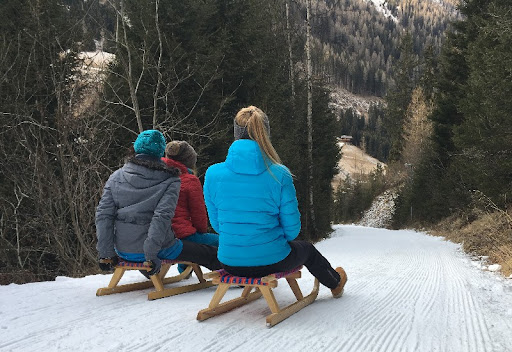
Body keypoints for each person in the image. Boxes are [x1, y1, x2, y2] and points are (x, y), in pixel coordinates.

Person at [203, 106, 347, 297]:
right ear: (265, 133)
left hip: (229, 262)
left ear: (236, 133)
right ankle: (335, 283)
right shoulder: (279, 173)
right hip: (272, 260)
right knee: (307, 250)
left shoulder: (213, 174)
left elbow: (217, 225)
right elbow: (292, 231)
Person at [96, 129, 221, 275]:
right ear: (161, 151)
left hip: (122, 250)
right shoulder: (170, 179)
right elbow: (161, 218)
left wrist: (105, 253)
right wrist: (150, 255)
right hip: (157, 250)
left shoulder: (116, 176)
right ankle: (239, 276)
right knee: (209, 253)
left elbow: (103, 215)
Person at [163, 140, 219, 274]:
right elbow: (198, 215)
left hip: (160, 234)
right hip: (182, 234)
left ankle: (184, 269)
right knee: (221, 241)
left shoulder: (157, 174)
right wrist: (201, 232)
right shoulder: (189, 180)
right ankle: (233, 270)